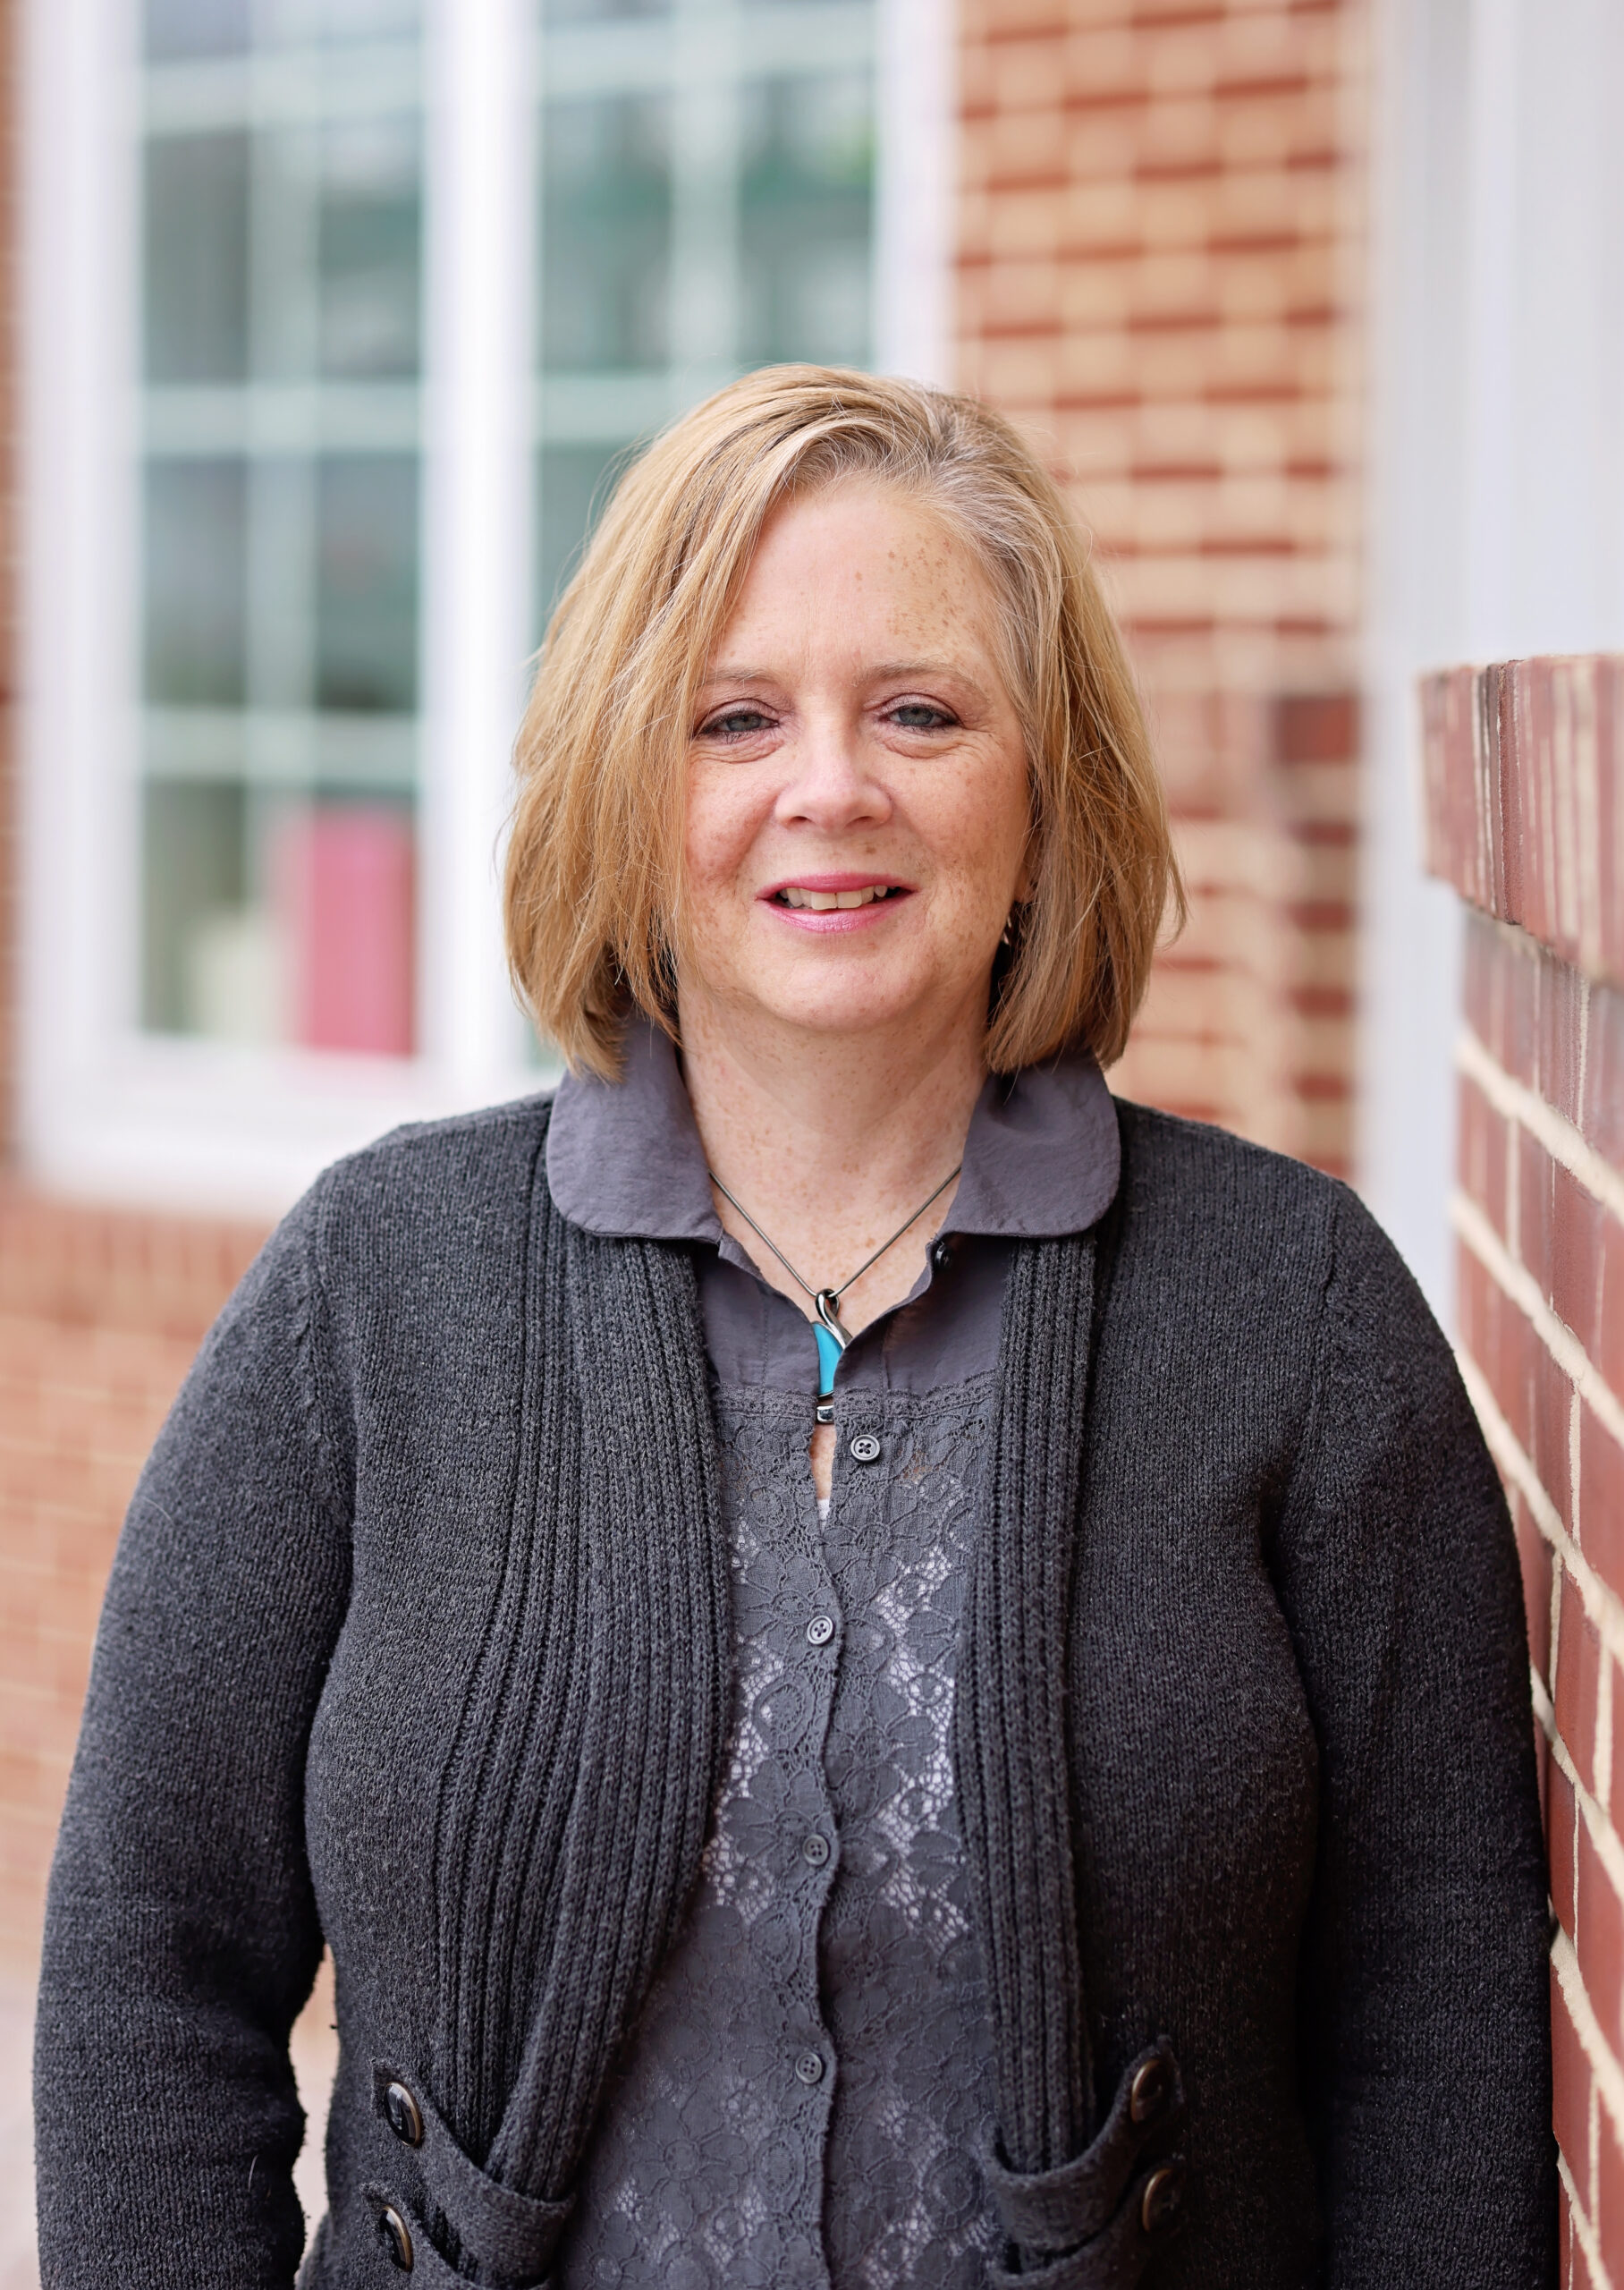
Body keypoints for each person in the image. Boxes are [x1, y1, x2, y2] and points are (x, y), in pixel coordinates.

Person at [35, 368, 1553, 2290]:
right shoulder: (369, 1285)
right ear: (624, 778)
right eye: (732, 716)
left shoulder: (1295, 1311)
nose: (826, 785)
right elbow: (147, 1962)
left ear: (1043, 784)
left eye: (917, 709)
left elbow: (1433, 2016)